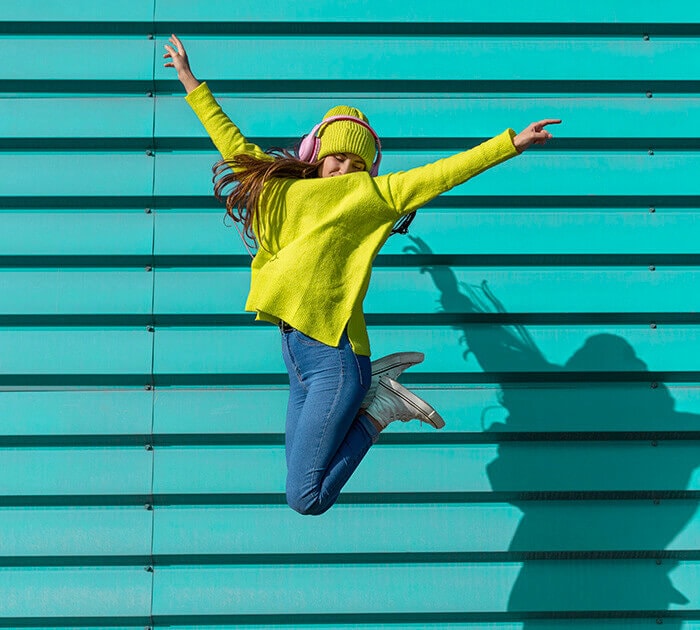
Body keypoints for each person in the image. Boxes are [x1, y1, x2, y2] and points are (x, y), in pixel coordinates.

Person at [164, 34, 561, 515]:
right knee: (296, 476)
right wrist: (189, 79)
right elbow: (232, 142)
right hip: (298, 356)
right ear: (316, 154)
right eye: (337, 158)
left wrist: (512, 144)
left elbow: (441, 173)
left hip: (336, 356)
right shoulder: (279, 191)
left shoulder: (371, 197)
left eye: (357, 163)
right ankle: (380, 391)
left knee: (305, 497)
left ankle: (379, 409)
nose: (345, 169)